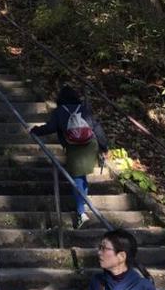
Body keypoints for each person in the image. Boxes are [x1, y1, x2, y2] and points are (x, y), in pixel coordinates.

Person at [30, 85, 108, 229]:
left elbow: (50, 127)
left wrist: (35, 131)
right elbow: (97, 127)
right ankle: (82, 206)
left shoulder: (59, 111)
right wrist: (104, 147)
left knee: (77, 177)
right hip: (91, 145)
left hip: (74, 147)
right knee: (81, 176)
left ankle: (81, 213)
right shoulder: (83, 109)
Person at [83, 229, 163, 290]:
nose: (99, 252)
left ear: (121, 256)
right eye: (100, 247)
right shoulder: (97, 282)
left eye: (104, 248)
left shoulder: (145, 286)